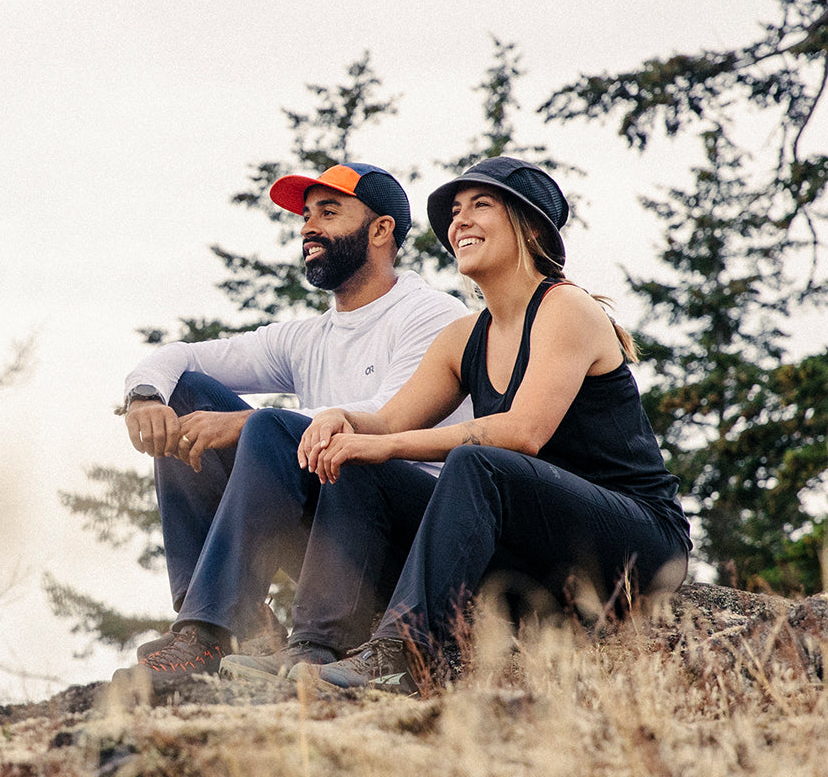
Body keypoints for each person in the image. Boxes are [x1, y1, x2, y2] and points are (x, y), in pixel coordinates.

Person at [273, 156, 691, 694]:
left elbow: (522, 434)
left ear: (530, 225)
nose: (459, 221)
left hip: (638, 548)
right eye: (454, 211)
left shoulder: (567, 308)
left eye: (481, 205)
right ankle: (315, 646)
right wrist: (343, 419)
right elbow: (386, 423)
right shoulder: (463, 337)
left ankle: (409, 654)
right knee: (362, 464)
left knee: (477, 460)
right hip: (539, 557)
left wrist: (383, 445)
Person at [116, 162, 470, 690]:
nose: (308, 227)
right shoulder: (307, 338)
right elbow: (182, 356)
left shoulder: (432, 314)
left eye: (329, 212)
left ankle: (212, 629)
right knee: (185, 394)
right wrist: (145, 398)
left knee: (271, 429)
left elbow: (384, 419)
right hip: (334, 536)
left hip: (407, 541)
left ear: (381, 230)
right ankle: (225, 629)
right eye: (305, 215)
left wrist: (247, 425)